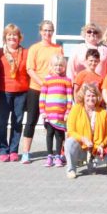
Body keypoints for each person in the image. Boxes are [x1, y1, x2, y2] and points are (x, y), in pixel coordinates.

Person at [21, 20, 63, 164]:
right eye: (45, 30)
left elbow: (60, 67)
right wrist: (43, 83)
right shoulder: (34, 48)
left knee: (53, 123)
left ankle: (55, 153)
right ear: (40, 32)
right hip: (36, 89)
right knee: (31, 121)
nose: (47, 33)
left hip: (53, 91)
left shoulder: (58, 48)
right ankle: (26, 152)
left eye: (50, 30)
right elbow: (30, 69)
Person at [0, 23, 29, 162]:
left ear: (19, 38)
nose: (12, 37)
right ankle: (2, 150)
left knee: (17, 122)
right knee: (2, 121)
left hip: (21, 91)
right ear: (5, 37)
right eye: (9, 34)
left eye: (15, 34)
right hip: (3, 91)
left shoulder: (26, 53)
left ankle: (13, 150)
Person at [65, 84, 107, 179]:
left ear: (97, 97)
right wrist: (83, 139)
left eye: (93, 95)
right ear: (83, 96)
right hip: (81, 145)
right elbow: (71, 130)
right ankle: (71, 169)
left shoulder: (103, 112)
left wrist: (101, 145)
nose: (91, 98)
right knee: (69, 142)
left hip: (95, 147)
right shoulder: (76, 108)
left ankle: (92, 163)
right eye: (88, 95)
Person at [39, 55, 73, 167]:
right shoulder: (47, 80)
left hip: (61, 115)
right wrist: (42, 111)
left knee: (59, 135)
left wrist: (68, 112)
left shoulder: (67, 81)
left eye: (61, 65)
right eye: (56, 65)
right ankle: (49, 155)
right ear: (52, 66)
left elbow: (69, 98)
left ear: (64, 67)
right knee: (49, 134)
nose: (58, 67)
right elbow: (42, 97)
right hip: (49, 114)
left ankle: (58, 155)